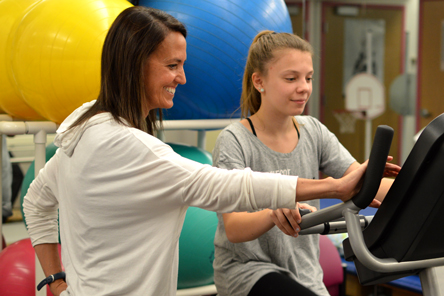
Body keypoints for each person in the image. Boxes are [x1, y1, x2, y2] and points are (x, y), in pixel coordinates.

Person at [23, 7, 387, 296]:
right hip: (245, 273)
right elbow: (228, 187)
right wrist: (332, 187)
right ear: (135, 65)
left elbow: (35, 202)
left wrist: (56, 280)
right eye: (172, 66)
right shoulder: (130, 146)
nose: (182, 78)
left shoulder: (87, 129)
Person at [212, 31, 399, 296]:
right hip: (248, 272)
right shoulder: (234, 140)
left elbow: (362, 183)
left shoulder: (313, 130)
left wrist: (422, 189)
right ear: (259, 81)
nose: (304, 87)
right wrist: (272, 213)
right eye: (291, 78)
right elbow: (233, 228)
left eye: (308, 78)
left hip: (306, 274)